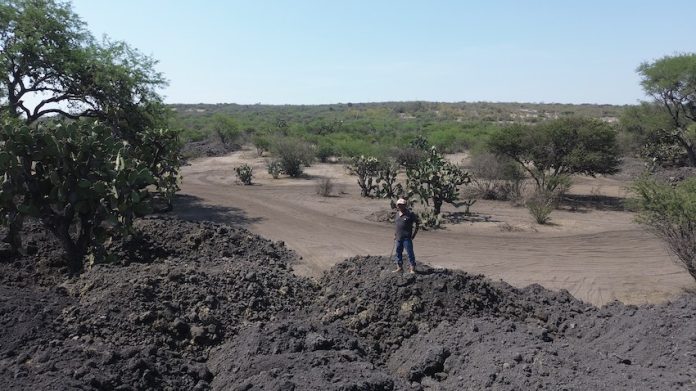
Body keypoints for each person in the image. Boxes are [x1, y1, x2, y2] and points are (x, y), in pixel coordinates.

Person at [393, 198, 419, 274]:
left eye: (402, 205)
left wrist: (414, 234)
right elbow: (397, 225)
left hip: (407, 238)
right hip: (398, 237)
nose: (400, 206)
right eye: (399, 205)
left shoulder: (410, 214)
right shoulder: (397, 214)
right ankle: (399, 268)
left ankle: (412, 269)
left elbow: (417, 224)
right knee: (398, 253)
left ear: (405, 205)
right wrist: (395, 234)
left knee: (410, 253)